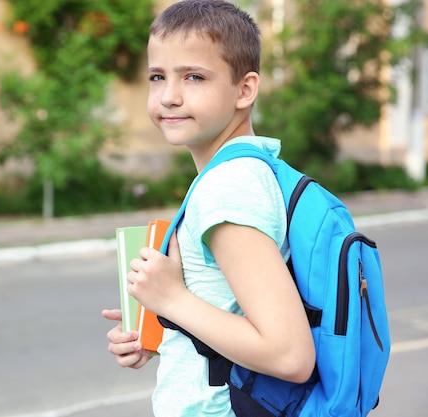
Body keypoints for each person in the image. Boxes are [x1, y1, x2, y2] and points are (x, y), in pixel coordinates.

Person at [101, 1, 316, 415]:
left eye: (194, 77)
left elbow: (290, 355)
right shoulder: (248, 170)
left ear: (245, 89)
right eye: (157, 77)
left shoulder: (228, 188)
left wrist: (173, 300)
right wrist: (165, 328)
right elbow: (233, 316)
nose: (169, 96)